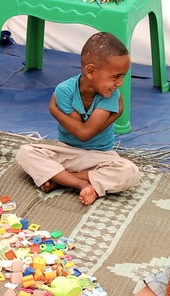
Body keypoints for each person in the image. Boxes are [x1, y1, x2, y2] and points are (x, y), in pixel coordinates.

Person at [15, 32, 139, 206]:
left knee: (130, 172)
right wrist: (115, 114)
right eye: (115, 77)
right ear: (90, 71)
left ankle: (60, 179)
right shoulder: (65, 90)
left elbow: (86, 133)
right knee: (25, 153)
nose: (120, 83)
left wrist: (54, 110)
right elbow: (82, 132)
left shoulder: (110, 92)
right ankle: (81, 183)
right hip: (67, 152)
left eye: (123, 76)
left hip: (100, 156)